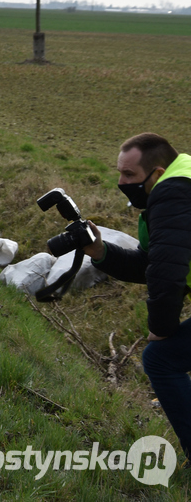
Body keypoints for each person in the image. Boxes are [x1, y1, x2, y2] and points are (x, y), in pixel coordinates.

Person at [83, 133, 191, 459]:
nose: (121, 182)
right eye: (119, 173)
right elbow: (151, 261)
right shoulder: (181, 181)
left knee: (161, 358)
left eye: (129, 175)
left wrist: (161, 327)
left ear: (156, 173)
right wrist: (101, 252)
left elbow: (166, 271)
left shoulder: (172, 193)